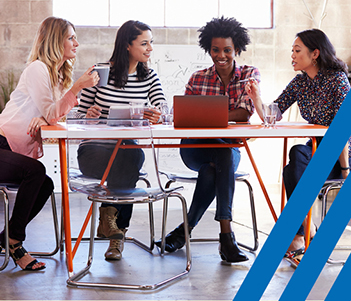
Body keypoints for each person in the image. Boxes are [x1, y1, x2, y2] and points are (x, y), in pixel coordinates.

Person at [155, 16, 261, 263]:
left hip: (228, 148)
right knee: (219, 157)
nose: (221, 55)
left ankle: (187, 231)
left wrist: (206, 114)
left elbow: (245, 114)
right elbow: (186, 115)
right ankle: (226, 239)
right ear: (208, 49)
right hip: (196, 146)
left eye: (227, 50)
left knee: (214, 168)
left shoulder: (249, 74)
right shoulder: (197, 78)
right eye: (215, 50)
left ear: (237, 49)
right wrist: (224, 115)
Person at [0, 16, 99, 271]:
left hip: (12, 147)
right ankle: (14, 243)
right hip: (2, 143)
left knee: (45, 184)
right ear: (56, 41)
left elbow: (53, 114)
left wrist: (78, 114)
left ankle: (5, 239)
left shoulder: (55, 75)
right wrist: (77, 88)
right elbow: (53, 111)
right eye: (70, 37)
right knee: (36, 172)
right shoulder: (38, 69)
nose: (76, 42)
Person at [245, 28, 351, 256]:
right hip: (317, 149)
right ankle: (305, 229)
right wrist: (256, 97)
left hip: (344, 151)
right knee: (294, 163)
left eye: (297, 50)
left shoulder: (338, 81)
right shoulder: (300, 83)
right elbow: (271, 115)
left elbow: (343, 129)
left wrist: (345, 170)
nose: (292, 55)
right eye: (292, 50)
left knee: (294, 164)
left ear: (315, 53)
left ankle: (300, 234)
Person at [76, 20, 166, 261]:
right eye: (144, 43)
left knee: (130, 154)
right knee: (131, 158)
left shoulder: (149, 76)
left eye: (151, 43)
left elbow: (163, 108)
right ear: (127, 45)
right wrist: (89, 115)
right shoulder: (100, 72)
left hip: (125, 152)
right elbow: (75, 116)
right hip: (94, 153)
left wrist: (157, 114)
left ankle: (112, 229)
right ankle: (114, 230)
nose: (150, 49)